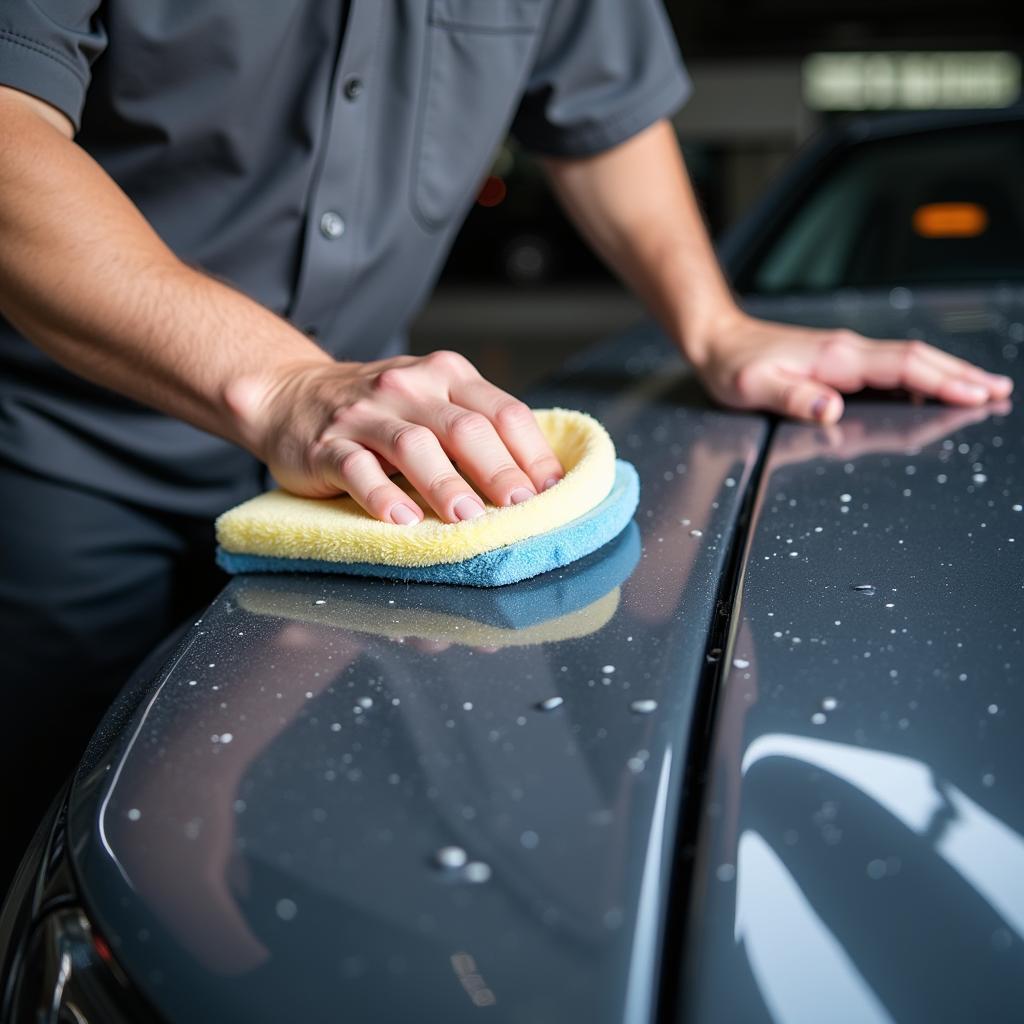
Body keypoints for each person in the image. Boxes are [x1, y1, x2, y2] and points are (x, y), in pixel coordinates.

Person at [0, 1, 1010, 894]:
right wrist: (288, 382)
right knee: (48, 835)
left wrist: (713, 326)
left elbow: (602, 114)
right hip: (65, 446)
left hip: (367, 475)